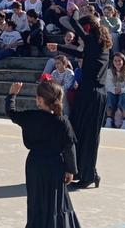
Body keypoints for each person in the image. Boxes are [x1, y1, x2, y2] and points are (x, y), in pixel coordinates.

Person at [6, 80, 82, 228]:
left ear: (40, 100)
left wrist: (12, 95)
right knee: (60, 202)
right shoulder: (62, 121)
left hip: (35, 165)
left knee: (38, 201)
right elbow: (69, 147)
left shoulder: (30, 117)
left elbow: (11, 113)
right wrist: (70, 170)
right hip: (55, 165)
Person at [47, 15, 111, 189]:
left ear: (88, 28)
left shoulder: (93, 41)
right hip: (90, 93)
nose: (80, 39)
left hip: (92, 94)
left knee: (88, 135)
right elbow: (82, 54)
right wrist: (59, 47)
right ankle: (84, 172)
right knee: (79, 132)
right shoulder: (97, 45)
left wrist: (72, 15)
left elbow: (78, 29)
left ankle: (89, 175)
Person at [103, 53, 125, 129]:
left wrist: (121, 90)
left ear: (123, 61)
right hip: (113, 93)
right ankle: (109, 119)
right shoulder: (109, 72)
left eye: (119, 60)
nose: (117, 62)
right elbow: (108, 86)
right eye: (115, 61)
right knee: (109, 95)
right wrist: (115, 90)